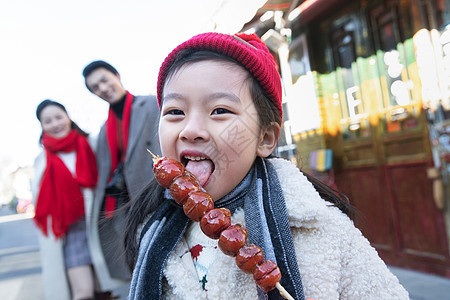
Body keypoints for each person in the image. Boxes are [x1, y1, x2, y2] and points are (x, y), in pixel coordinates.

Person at [124, 32, 409, 299]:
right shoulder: (149, 232)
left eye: (219, 110)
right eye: (175, 111)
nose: (191, 129)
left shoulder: (319, 226)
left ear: (266, 137)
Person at [82, 60, 161, 291]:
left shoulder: (150, 104)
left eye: (104, 80)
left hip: (155, 197)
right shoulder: (104, 129)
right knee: (139, 272)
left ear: (116, 75)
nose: (103, 88)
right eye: (95, 87)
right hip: (124, 209)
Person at [31, 100, 98, 300]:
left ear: (68, 117)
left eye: (59, 117)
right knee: (83, 292)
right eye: (48, 121)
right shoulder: (41, 160)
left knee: (105, 289)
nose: (55, 124)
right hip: (70, 232)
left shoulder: (90, 144)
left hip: (100, 224)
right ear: (41, 126)